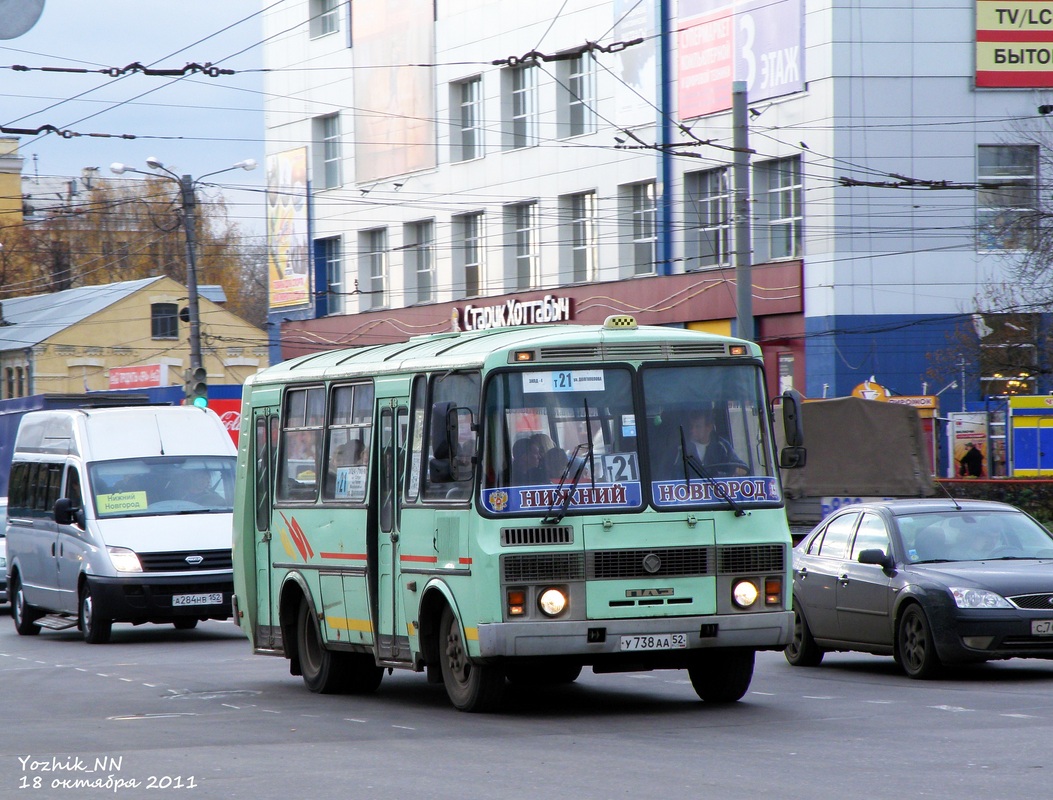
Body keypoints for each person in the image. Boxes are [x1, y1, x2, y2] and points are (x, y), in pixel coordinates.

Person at [675, 408, 747, 478]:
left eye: (698, 427)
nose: (692, 430)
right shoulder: (682, 447)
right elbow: (674, 474)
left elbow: (741, 467)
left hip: (718, 489)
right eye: (691, 426)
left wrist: (738, 469)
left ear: (709, 427)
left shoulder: (722, 446)